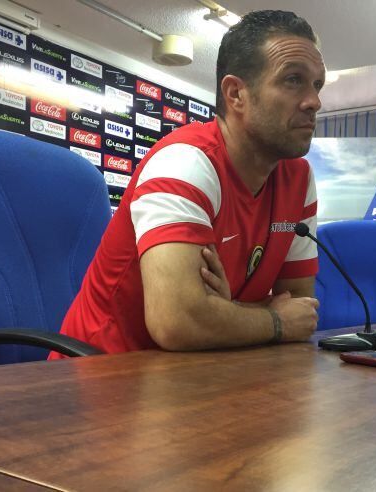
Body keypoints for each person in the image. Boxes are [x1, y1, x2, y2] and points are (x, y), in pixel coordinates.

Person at [51, 10, 325, 355]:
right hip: (99, 377)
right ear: (236, 94)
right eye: (293, 80)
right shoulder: (185, 161)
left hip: (197, 373)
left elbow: (301, 308)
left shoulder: (298, 178)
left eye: (317, 85)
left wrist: (227, 314)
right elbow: (178, 322)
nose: (314, 101)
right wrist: (272, 320)